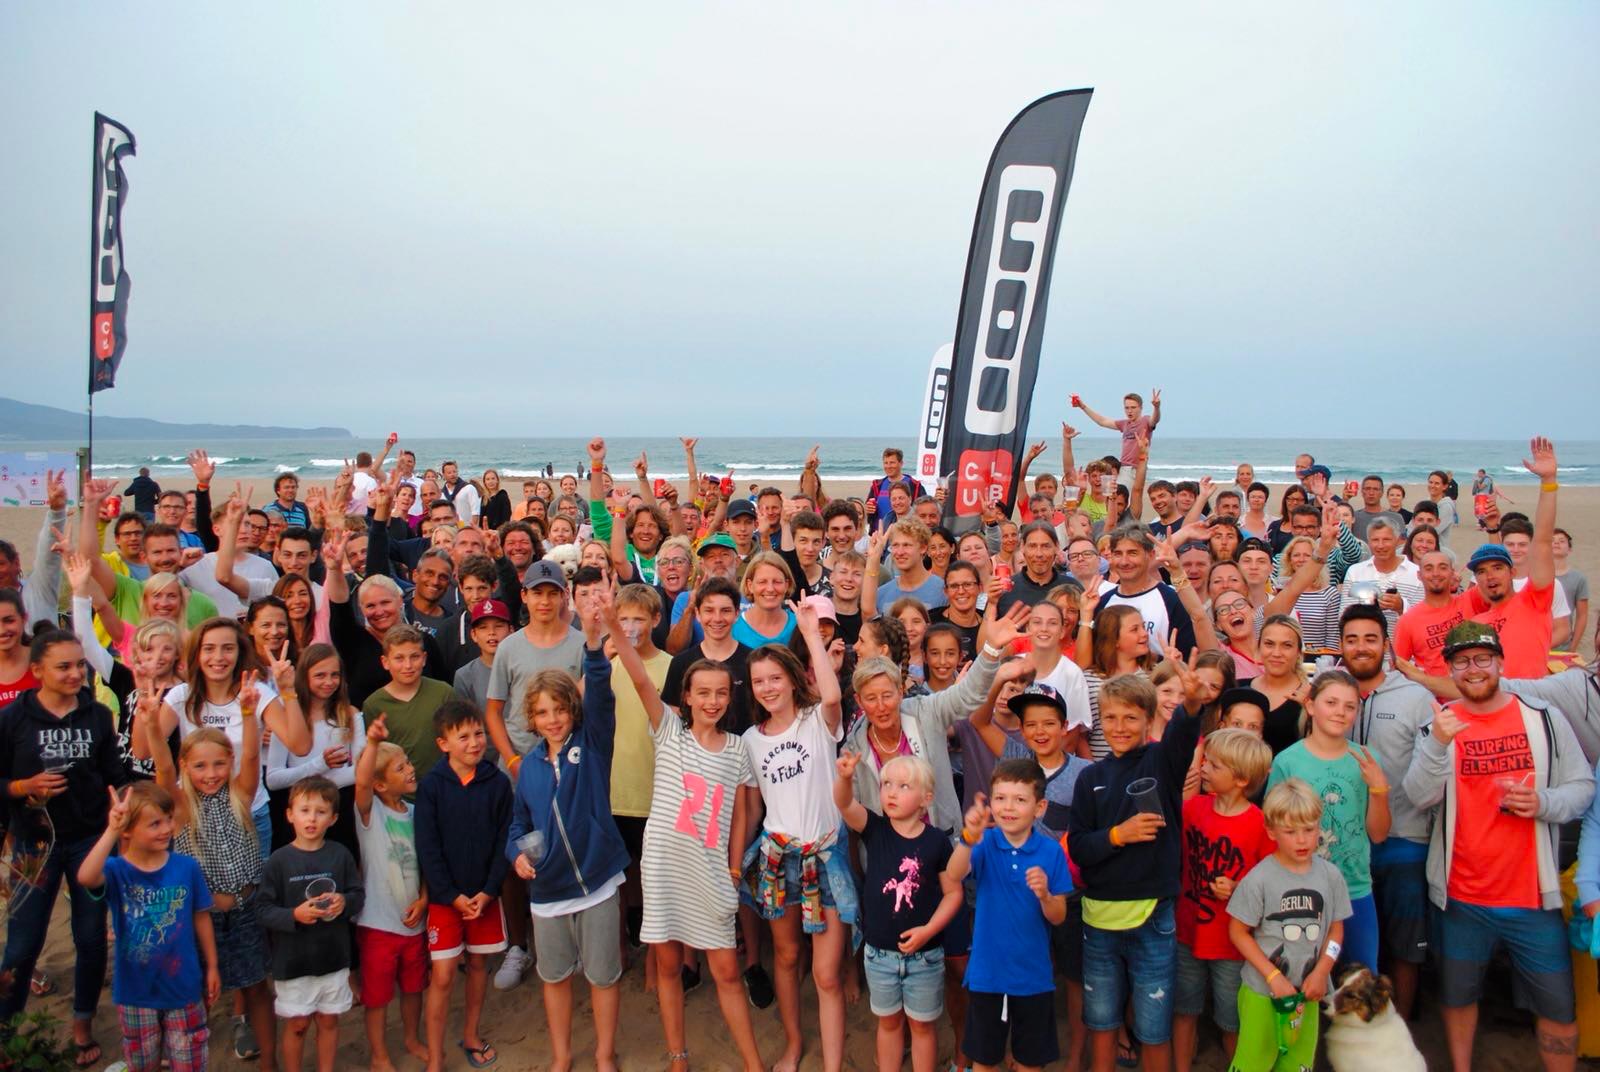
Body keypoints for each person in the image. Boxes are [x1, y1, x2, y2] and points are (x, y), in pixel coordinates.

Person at [1402, 621, 1592, 1072]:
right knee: (1457, 996)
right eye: (1462, 661)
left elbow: (1582, 787)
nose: (1474, 669)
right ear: (1450, 668)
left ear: (1500, 662)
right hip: (1462, 896)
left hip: (1531, 896)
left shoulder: (1542, 716)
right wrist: (1438, 744)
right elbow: (1418, 796)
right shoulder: (1440, 724)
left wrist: (1545, 801)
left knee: (1558, 1008)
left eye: (1482, 658)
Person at [619, 607, 766, 1072]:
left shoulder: (739, 747)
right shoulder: (668, 731)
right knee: (667, 967)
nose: (712, 701)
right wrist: (609, 623)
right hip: (663, 867)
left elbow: (742, 812)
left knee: (725, 970)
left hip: (711, 872)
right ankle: (678, 1057)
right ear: (685, 696)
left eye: (721, 693)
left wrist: (735, 866)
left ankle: (751, 1062)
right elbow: (641, 678)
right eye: (702, 692)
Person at [506, 596, 630, 1072]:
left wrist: (595, 642)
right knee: (554, 977)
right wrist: (517, 854)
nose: (553, 718)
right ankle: (561, 1056)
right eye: (542, 712)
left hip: (597, 882)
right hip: (548, 891)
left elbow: (598, 690)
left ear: (573, 711)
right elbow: (518, 824)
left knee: (602, 976)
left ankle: (603, 1055)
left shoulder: (593, 743)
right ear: (531, 719)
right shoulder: (530, 768)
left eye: (560, 708)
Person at [0, 631, 128, 1065]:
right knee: (21, 945)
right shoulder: (13, 718)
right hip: (34, 845)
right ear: (37, 671)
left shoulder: (96, 716)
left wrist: (123, 802)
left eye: (80, 665)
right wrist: (24, 786)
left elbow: (114, 772)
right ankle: (7, 1031)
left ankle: (82, 1023)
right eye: (64, 666)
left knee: (91, 939)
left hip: (90, 841)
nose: (76, 673)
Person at [1067, 668, 1203, 1072]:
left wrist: (1192, 701)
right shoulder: (1090, 776)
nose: (1119, 727)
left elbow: (1183, 732)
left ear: (1148, 719)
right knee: (1103, 1023)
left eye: (1130, 717)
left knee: (1153, 1028)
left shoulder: (1162, 762)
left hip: (1153, 917)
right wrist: (1118, 835)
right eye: (1110, 717)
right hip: (1100, 919)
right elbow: (1079, 847)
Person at [739, 603, 854, 1072]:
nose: (768, 688)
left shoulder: (816, 722)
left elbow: (830, 696)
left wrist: (810, 635)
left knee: (826, 974)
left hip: (826, 856)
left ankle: (831, 1064)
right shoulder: (750, 738)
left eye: (775, 678)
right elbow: (751, 806)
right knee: (785, 958)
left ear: (790, 679)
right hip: (777, 858)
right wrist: (734, 861)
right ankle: (792, 1044)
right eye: (759, 681)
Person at [143, 666, 277, 1067]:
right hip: (204, 917)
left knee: (256, 989)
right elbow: (163, 769)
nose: (211, 774)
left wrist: (250, 714)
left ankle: (269, 1062)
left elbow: (252, 755)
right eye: (199, 766)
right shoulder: (181, 808)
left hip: (248, 910)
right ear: (187, 765)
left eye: (219, 764)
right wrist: (152, 724)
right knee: (198, 993)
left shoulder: (241, 794)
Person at [835, 751, 964, 1072]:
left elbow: (953, 893)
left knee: (922, 1027)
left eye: (904, 786)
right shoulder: (875, 829)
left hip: (926, 956)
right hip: (879, 955)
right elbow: (844, 804)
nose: (891, 792)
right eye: (886, 784)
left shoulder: (936, 842)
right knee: (889, 1024)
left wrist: (929, 930)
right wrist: (846, 778)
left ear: (926, 798)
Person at [1337, 604, 1435, 1018]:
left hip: (1403, 840)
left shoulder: (1416, 698)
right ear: (1340, 646)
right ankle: (1347, 1025)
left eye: (1370, 638)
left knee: (1405, 944)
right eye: (1352, 639)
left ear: (1386, 645)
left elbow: (1434, 764)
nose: (1361, 647)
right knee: (1350, 940)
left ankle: (1403, 1026)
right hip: (1344, 845)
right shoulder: (1331, 693)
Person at [78, 782, 219, 1072]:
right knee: (142, 1064)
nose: (166, 828)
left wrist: (213, 966)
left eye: (168, 819)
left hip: (184, 986)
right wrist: (111, 830)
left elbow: (201, 916)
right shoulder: (117, 871)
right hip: (135, 992)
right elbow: (85, 876)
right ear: (127, 830)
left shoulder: (186, 867)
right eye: (154, 823)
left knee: (190, 1062)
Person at [945, 760, 1071, 1072]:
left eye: (1020, 799)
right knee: (985, 1060)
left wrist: (1045, 895)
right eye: (1000, 798)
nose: (1008, 807)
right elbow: (953, 872)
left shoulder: (1052, 852)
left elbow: (1058, 916)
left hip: (1033, 978)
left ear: (1039, 807)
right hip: (988, 976)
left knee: (1030, 1061)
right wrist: (967, 839)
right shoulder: (985, 842)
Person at [1265, 671, 1390, 972]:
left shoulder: (1366, 759)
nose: (1340, 712)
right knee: (1302, 981)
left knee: (1362, 979)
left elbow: (1379, 833)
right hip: (1300, 890)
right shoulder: (1288, 761)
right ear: (1310, 706)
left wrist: (1378, 788)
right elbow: (1270, 831)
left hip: (1354, 888)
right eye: (1331, 702)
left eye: (1349, 706)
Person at [1226, 778, 1351, 1072]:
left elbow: (1335, 928)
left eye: (1309, 829)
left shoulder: (1331, 877)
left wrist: (1322, 971)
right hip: (1262, 993)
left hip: (1307, 995)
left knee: (1298, 1065)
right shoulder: (1259, 879)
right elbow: (1238, 931)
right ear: (1271, 831)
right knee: (1253, 1063)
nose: (1302, 840)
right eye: (1291, 831)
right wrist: (1272, 977)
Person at [415, 700, 512, 1072]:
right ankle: (436, 1057)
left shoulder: (498, 783)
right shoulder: (432, 787)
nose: (474, 743)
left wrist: (489, 891)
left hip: (485, 897)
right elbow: (428, 847)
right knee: (441, 975)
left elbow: (505, 838)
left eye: (478, 734)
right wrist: (451, 895)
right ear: (443, 743)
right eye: (464, 736)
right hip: (445, 900)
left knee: (478, 966)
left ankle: (471, 1035)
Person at [1172, 727, 1273, 1072]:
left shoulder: (1260, 824)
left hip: (1233, 943)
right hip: (1187, 932)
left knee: (1232, 1021)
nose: (1204, 769)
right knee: (1184, 1011)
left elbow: (1271, 884)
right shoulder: (1193, 809)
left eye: (1214, 766)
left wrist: (1239, 890)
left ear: (1242, 779)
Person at [257, 776, 364, 1072]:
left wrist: (344, 901)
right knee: (298, 1025)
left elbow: (358, 896)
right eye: (304, 810)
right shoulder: (278, 861)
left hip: (333, 957)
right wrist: (294, 915)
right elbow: (263, 910)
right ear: (290, 814)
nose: (312, 819)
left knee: (329, 1020)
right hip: (293, 963)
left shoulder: (340, 855)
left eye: (320, 812)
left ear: (333, 818)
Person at [353, 715, 429, 1072]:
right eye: (400, 768)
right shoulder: (370, 816)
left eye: (408, 763)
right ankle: (379, 1054)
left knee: (414, 987)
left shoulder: (416, 813)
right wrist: (371, 744)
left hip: (414, 920)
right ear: (381, 784)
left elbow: (427, 861)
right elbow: (362, 781)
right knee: (378, 996)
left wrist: (425, 898)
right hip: (378, 924)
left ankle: (412, 1038)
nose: (410, 770)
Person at [265, 644, 364, 858]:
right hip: (299, 816)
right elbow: (273, 778)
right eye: (320, 675)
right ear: (304, 676)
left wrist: (321, 782)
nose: (329, 682)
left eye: (334, 675)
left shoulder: (350, 713)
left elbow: (361, 770)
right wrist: (320, 764)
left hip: (340, 812)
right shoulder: (288, 714)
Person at [360, 625, 454, 785]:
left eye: (414, 657)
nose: (408, 665)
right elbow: (376, 757)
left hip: (444, 787)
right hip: (399, 795)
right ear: (385, 662)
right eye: (399, 658)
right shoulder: (373, 704)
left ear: (424, 659)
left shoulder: (443, 692)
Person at [1072, 389, 1162, 467]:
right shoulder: (1124, 424)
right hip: (1123, 466)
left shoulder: (1145, 421)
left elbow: (1155, 419)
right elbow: (1102, 421)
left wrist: (1156, 407)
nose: (1129, 411)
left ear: (1141, 408)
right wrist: (1083, 407)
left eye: (1133, 408)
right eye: (1127, 408)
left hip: (1138, 467)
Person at [452, 598, 513, 709]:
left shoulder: (525, 666)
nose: (491, 633)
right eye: (483, 628)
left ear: (511, 631)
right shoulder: (465, 676)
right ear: (474, 635)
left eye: (498, 626)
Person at [867, 448, 926, 532]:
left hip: (905, 533)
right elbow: (868, 511)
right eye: (886, 463)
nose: (888, 466)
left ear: (901, 463)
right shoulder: (877, 485)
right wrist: (868, 510)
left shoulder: (914, 485)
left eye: (892, 463)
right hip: (880, 535)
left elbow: (924, 510)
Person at [1551, 528, 1588, 652]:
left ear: (1569, 549)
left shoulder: (1578, 578)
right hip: (1537, 640)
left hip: (1564, 645)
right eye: (1552, 540)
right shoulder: (1535, 576)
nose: (1556, 543)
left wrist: (1573, 647)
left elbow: (1582, 615)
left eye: (1562, 541)